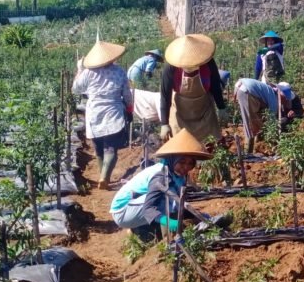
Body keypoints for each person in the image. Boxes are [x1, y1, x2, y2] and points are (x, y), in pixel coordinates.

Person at [109, 129, 211, 242]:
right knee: (166, 199)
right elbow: (149, 208)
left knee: (172, 202)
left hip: (137, 206)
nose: (186, 167)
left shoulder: (179, 175)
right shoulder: (161, 175)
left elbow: (178, 202)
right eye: (182, 162)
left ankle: (145, 227)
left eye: (190, 163)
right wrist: (168, 221)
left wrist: (197, 215)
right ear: (173, 160)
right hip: (123, 212)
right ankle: (138, 227)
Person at [73, 36, 133, 190]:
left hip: (94, 113)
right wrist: (129, 109)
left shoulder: (88, 73)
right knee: (110, 148)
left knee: (98, 148)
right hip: (113, 112)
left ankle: (102, 176)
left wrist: (79, 69)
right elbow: (127, 94)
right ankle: (104, 177)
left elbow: (76, 89)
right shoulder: (119, 72)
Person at [160, 34, 226, 145]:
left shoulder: (208, 63)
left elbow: (215, 85)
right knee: (181, 147)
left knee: (209, 145)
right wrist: (164, 123)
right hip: (180, 113)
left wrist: (221, 107)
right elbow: (165, 95)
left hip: (204, 112)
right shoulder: (171, 67)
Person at [234, 78, 299, 153]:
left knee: (256, 119)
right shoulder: (274, 100)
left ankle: (256, 142)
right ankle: (248, 152)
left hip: (241, 86)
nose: (286, 102)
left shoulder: (269, 92)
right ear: (281, 96)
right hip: (246, 91)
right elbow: (271, 121)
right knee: (250, 122)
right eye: (286, 99)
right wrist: (275, 136)